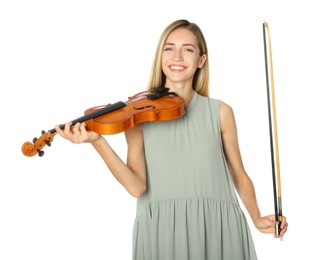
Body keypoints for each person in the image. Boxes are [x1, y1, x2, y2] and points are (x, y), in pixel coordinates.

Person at [55, 19, 288, 260]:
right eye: (169, 48)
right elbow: (136, 187)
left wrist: (257, 217)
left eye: (188, 49)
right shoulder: (137, 115)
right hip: (162, 229)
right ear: (160, 56)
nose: (177, 56)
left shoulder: (220, 112)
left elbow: (239, 175)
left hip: (218, 227)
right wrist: (98, 142)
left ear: (201, 60)